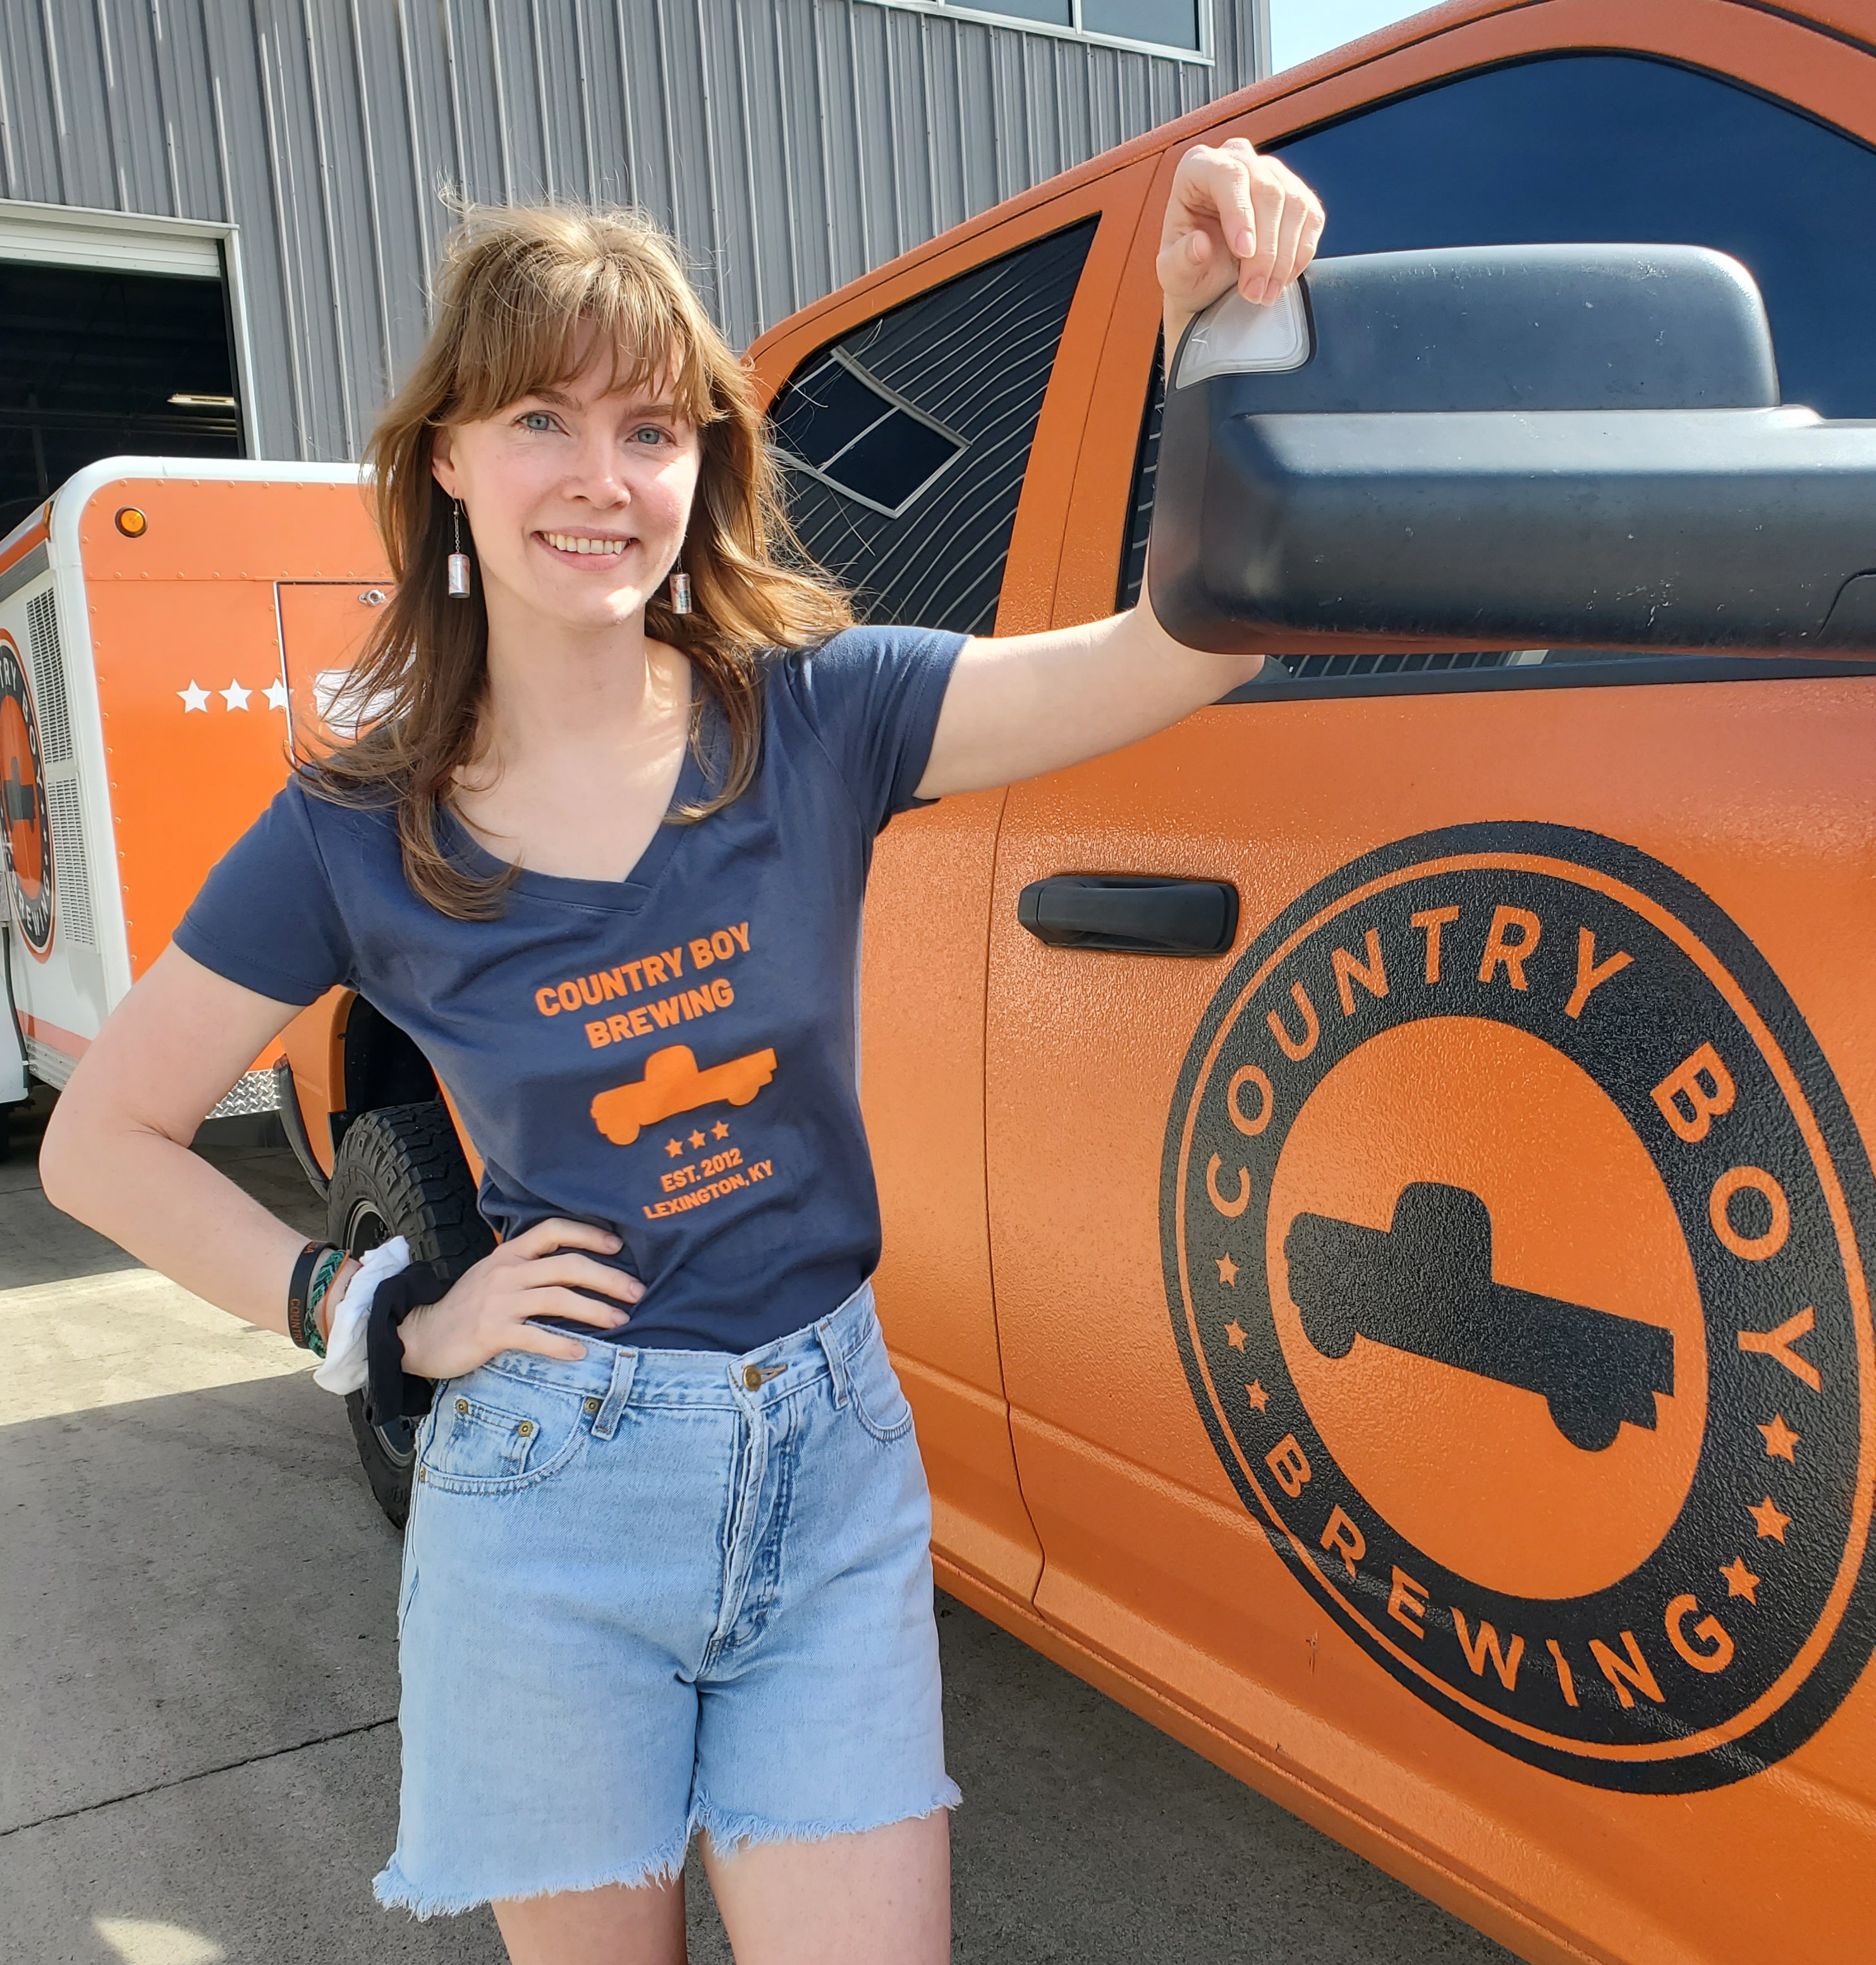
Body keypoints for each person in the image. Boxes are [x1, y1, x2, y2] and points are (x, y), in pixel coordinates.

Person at [40, 139, 1324, 1965]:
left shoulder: (823, 712)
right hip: (551, 1501)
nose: (602, 476)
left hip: (831, 1464)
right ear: (449, 463)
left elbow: (1186, 645)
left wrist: (1225, 337)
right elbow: (107, 1139)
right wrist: (380, 1313)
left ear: (706, 466)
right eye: (543, 419)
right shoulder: (360, 822)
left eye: (654, 429)